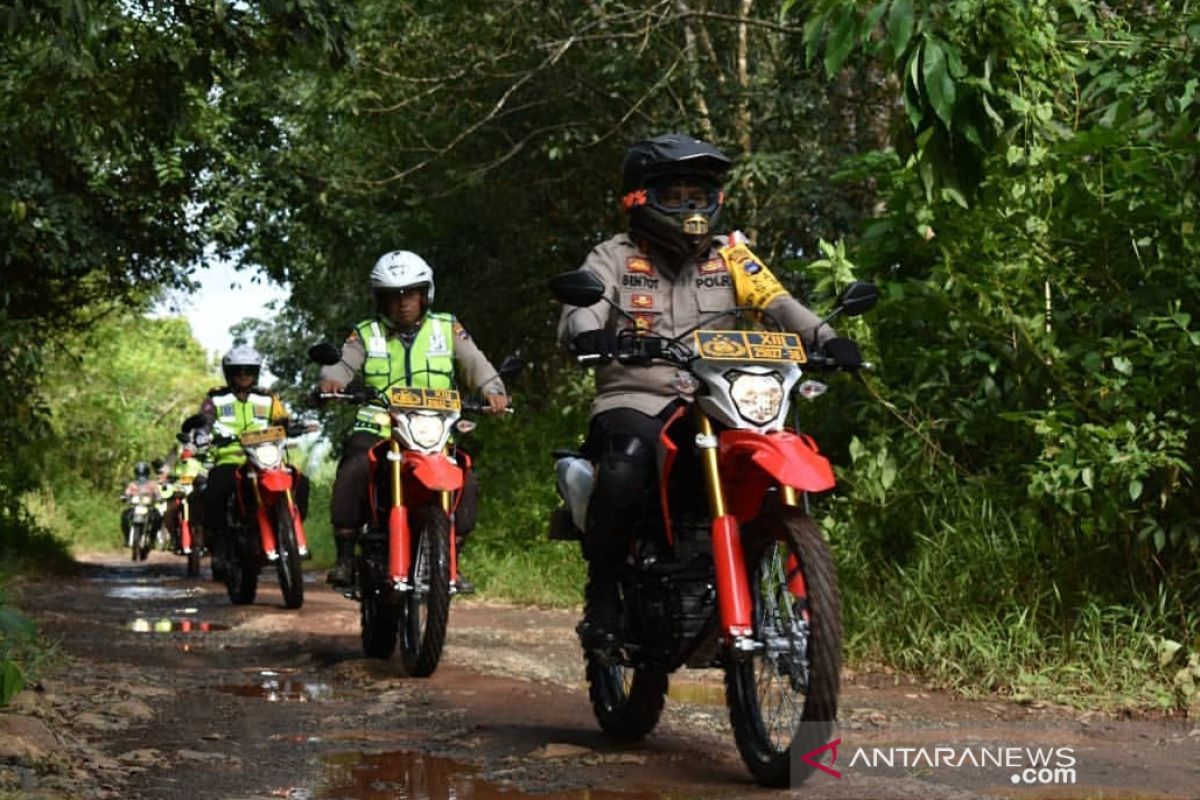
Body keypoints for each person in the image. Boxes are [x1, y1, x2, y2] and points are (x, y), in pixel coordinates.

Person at [556, 132, 862, 652]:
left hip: (720, 394)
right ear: (640, 197)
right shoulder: (613, 254)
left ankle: (779, 599)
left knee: (765, 465)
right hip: (639, 396)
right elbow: (584, 304)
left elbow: (780, 304)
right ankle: (604, 592)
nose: (689, 209)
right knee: (625, 466)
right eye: (674, 197)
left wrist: (828, 338)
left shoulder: (733, 258)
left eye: (697, 196)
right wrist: (588, 332)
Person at [317, 250, 510, 591]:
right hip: (378, 426)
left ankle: (452, 559)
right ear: (381, 299)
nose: (403, 302)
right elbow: (343, 365)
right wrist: (332, 381)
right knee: (353, 468)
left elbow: (475, 362)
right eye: (394, 295)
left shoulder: (447, 327)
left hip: (432, 430)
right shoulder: (366, 333)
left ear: (425, 294)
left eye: (411, 292)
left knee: (466, 480)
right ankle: (346, 556)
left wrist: (494, 390)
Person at [192, 345, 310, 574]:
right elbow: (205, 420)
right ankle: (221, 546)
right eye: (238, 371)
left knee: (301, 482)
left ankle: (289, 536)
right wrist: (201, 434)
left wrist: (296, 425)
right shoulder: (216, 398)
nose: (243, 376)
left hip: (267, 459)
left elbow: (282, 419)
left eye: (248, 370)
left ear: (255, 372)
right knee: (214, 491)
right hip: (231, 459)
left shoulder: (268, 398)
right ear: (229, 373)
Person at [121, 461, 161, 544]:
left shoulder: (152, 484)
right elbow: (127, 492)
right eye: (139, 473)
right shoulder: (132, 484)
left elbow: (157, 493)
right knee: (124, 516)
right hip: (135, 507)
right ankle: (127, 537)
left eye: (143, 473)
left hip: (149, 507)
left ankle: (152, 538)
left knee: (158, 518)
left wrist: (158, 498)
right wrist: (125, 496)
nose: (141, 475)